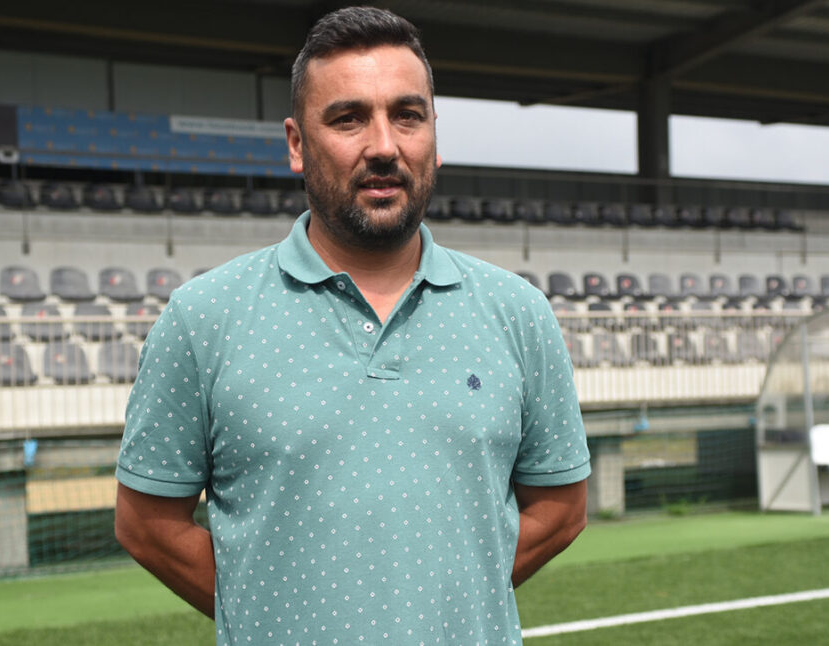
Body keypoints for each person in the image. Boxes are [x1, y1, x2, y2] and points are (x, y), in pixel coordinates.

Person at [114, 6, 590, 644]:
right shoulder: (203, 318)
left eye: (407, 115)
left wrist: (442, 608)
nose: (384, 146)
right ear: (296, 144)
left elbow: (561, 509)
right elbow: (146, 525)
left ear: (435, 136)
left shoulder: (518, 312)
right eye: (348, 119)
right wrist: (277, 618)